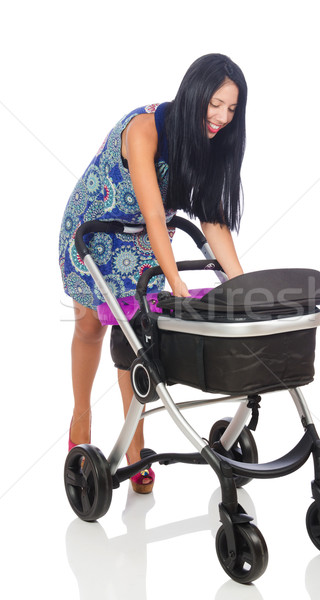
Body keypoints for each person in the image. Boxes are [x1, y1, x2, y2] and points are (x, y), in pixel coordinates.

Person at [59, 53, 247, 493]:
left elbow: (212, 219)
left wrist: (242, 284)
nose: (221, 117)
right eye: (215, 104)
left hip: (142, 239)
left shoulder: (210, 141)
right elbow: (153, 210)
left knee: (136, 336)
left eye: (232, 109)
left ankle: (133, 446)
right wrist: (177, 282)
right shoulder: (146, 130)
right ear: (194, 94)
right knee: (90, 328)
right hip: (94, 226)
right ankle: (81, 414)